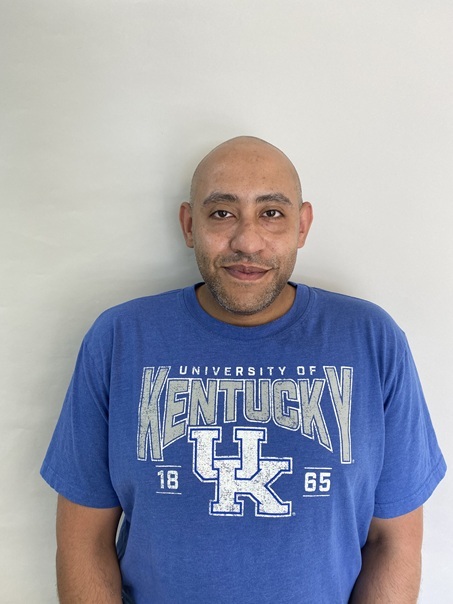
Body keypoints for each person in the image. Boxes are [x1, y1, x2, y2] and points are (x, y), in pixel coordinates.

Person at [41, 136, 446, 603]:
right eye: (222, 213)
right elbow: (83, 541)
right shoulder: (120, 339)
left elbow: (394, 543)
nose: (247, 241)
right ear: (189, 225)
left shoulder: (371, 341)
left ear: (302, 225)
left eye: (271, 213)